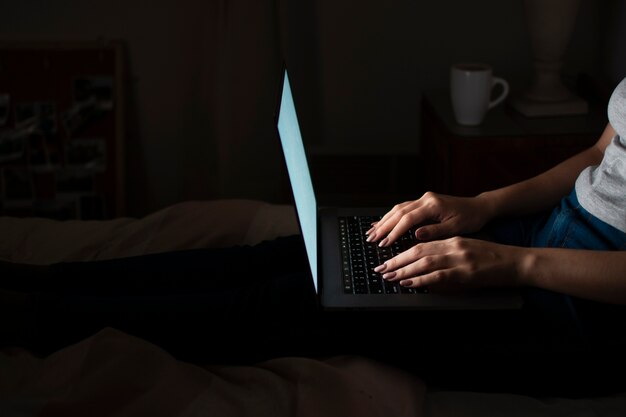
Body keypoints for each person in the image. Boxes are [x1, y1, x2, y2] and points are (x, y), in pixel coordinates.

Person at [2, 78, 626, 396]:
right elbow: (601, 152)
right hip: (544, 232)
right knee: (293, 257)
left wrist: (512, 266)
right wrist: (482, 206)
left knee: (297, 303)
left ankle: (38, 318)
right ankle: (46, 282)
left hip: (584, 313)